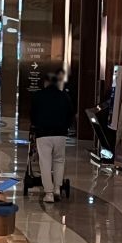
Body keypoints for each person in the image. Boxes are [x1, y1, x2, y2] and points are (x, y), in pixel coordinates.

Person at [30, 73, 75, 203]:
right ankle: (57, 189)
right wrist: (65, 127)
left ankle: (48, 193)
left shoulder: (38, 96)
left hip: (43, 133)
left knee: (45, 162)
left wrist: (36, 125)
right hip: (60, 134)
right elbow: (71, 114)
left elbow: (32, 115)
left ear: (45, 83)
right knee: (59, 160)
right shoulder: (64, 96)